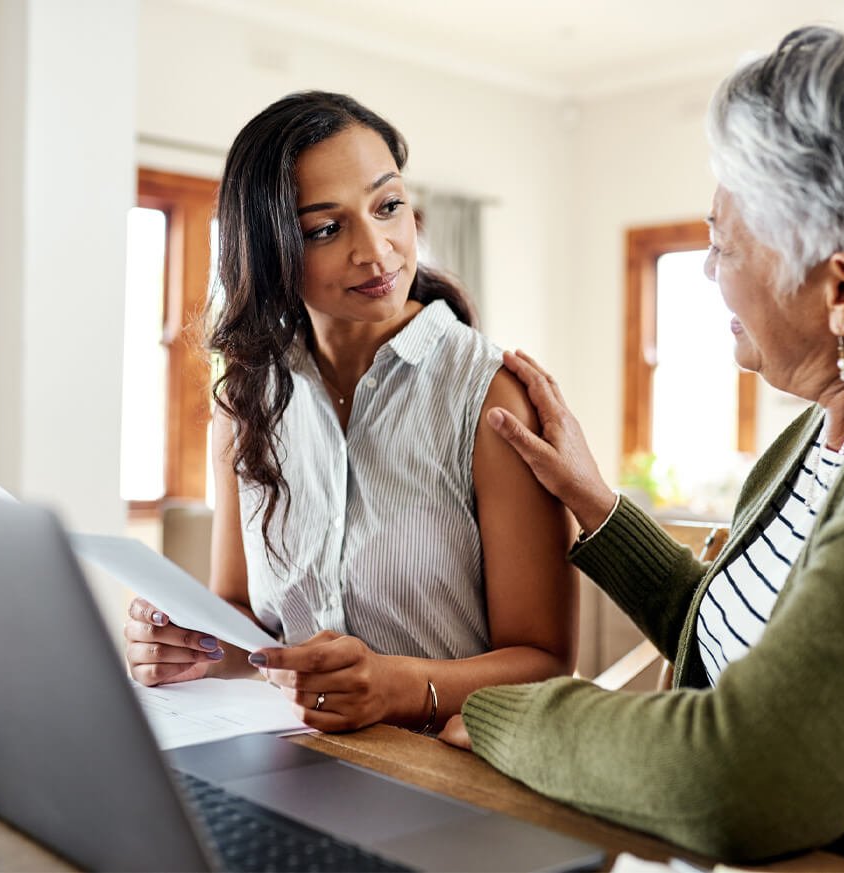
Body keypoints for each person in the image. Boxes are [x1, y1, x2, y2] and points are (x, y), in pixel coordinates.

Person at [438, 2, 844, 869]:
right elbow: (737, 640)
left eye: (724, 245)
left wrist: (508, 710)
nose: (708, 272)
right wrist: (595, 504)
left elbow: (734, 779)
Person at [124, 91, 577, 734]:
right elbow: (243, 622)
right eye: (326, 229)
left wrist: (399, 686)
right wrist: (187, 647)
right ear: (272, 249)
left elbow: (547, 664)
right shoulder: (248, 396)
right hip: (293, 757)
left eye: (388, 206)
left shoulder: (492, 396)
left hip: (444, 771)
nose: (377, 251)